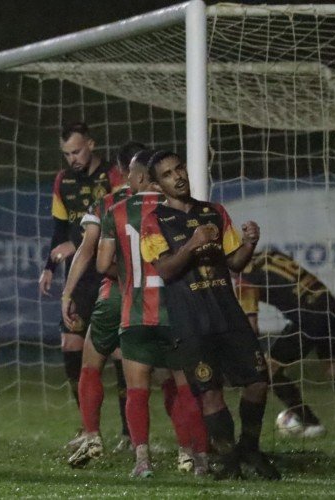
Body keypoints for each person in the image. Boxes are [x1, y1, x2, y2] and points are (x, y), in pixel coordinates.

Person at [142, 151, 280, 480]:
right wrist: (191, 244)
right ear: (158, 184)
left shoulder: (213, 212)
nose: (177, 176)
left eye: (180, 169)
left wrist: (249, 243)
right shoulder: (154, 220)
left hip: (227, 314)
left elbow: (235, 263)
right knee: (210, 391)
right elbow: (165, 270)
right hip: (191, 321)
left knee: (259, 382)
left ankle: (249, 449)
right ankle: (228, 458)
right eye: (167, 174)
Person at [96, 150, 208, 478]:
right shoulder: (175, 210)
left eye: (129, 174)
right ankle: (195, 457)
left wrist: (129, 275)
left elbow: (102, 264)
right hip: (175, 312)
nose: (125, 180)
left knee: (137, 389)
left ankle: (142, 461)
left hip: (134, 313)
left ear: (141, 177)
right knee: (185, 388)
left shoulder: (115, 212)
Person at [235, 249, 335, 436]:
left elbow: (252, 327)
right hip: (331, 306)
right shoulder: (267, 253)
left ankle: (311, 423)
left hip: (310, 316)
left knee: (269, 371)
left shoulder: (244, 281)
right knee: (334, 369)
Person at [37, 122, 123, 435]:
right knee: (71, 345)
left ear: (91, 144)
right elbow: (59, 229)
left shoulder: (113, 176)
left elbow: (121, 221)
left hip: (109, 273)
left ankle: (129, 433)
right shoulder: (63, 181)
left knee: (118, 352)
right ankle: (89, 428)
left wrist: (78, 244)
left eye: (76, 150)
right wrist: (49, 266)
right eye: (67, 154)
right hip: (78, 277)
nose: (72, 158)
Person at [62, 141, 142, 465]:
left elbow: (87, 251)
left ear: (120, 170)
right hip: (159, 295)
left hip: (116, 293)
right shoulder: (166, 203)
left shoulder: (107, 203)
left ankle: (92, 435)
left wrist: (67, 292)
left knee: (91, 362)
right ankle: (188, 451)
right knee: (172, 374)